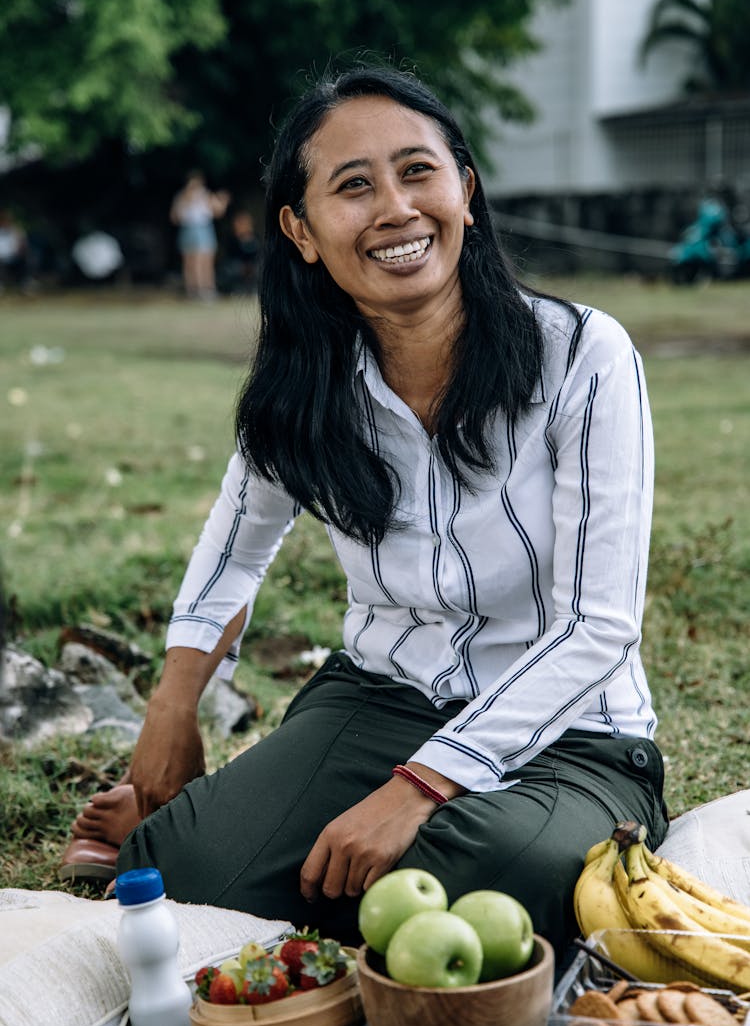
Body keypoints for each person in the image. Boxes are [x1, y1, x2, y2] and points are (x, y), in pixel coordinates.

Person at [61, 65, 669, 959]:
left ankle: (387, 845)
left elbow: (597, 625)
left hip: (572, 731)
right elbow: (234, 549)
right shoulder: (302, 389)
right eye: (354, 187)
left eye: (418, 172)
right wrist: (172, 707)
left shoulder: (581, 355)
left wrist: (418, 788)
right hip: (379, 699)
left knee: (486, 878)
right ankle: (290, 835)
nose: (395, 208)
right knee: (190, 865)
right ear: (302, 233)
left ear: (465, 191)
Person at [170, 171, 230, 300]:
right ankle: (192, 291)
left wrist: (223, 201)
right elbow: (174, 217)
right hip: (188, 229)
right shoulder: (181, 196)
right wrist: (186, 199)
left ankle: (207, 289)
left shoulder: (206, 195)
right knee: (190, 262)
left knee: (205, 261)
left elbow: (219, 212)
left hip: (204, 229)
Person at [219, 209, 261, 295]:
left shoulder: (256, 238)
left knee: (259, 268)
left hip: (253, 265)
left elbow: (260, 254)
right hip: (238, 266)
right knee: (232, 268)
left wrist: (250, 265)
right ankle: (235, 288)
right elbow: (230, 257)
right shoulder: (231, 239)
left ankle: (254, 288)